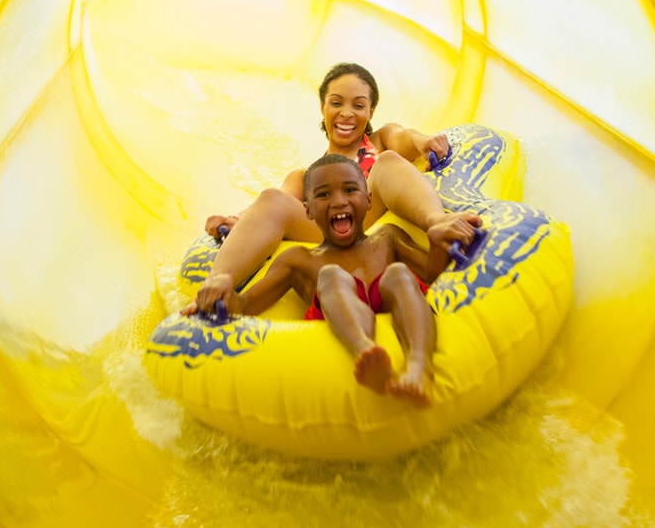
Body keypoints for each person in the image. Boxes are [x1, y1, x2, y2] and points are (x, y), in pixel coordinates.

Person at [184, 154, 477, 406]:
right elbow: (246, 306)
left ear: (368, 199)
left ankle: (418, 368)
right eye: (323, 195)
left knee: (399, 274)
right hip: (336, 312)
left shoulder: (387, 238)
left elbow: (432, 276)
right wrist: (225, 292)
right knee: (332, 276)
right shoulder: (300, 259)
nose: (338, 201)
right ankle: (365, 351)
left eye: (350, 190)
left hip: (390, 299)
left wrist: (438, 244)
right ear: (308, 210)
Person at [198, 62, 480, 309]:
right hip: (330, 232)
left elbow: (404, 136)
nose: (346, 113)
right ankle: (217, 285)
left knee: (388, 162)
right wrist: (236, 219)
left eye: (358, 105)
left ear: (371, 111)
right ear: (322, 107)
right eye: (336, 103)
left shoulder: (380, 141)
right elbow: (276, 203)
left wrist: (423, 142)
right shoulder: (307, 176)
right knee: (273, 197)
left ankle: (437, 221)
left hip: (373, 213)